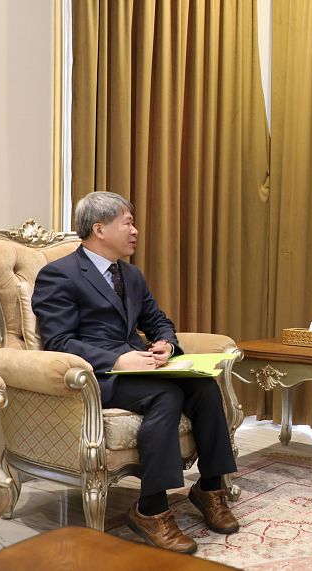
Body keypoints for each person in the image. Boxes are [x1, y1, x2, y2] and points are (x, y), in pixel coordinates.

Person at [32, 191, 239, 553]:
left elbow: (158, 320)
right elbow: (59, 342)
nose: (135, 231)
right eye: (127, 223)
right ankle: (151, 510)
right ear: (99, 229)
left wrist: (166, 344)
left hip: (138, 369)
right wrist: (116, 361)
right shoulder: (59, 275)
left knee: (204, 387)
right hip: (95, 378)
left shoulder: (131, 274)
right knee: (166, 394)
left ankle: (210, 488)